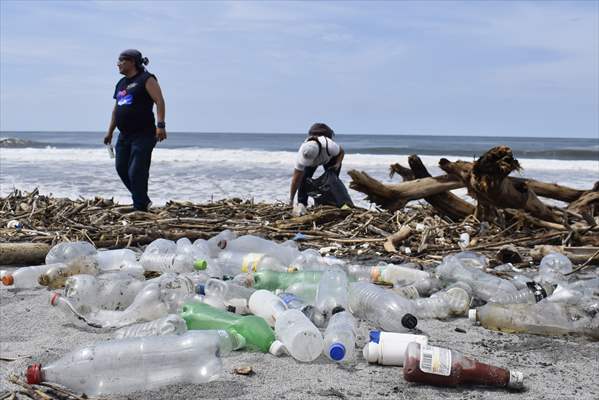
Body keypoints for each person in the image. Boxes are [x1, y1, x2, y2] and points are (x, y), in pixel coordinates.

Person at [103, 49, 166, 211]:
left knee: (136, 171)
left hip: (143, 134)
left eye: (121, 61)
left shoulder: (146, 79)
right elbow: (116, 109)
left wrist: (160, 125)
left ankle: (140, 206)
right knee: (121, 168)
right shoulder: (121, 83)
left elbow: (159, 101)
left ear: (132, 62)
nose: (118, 64)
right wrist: (110, 132)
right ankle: (142, 200)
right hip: (124, 135)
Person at [289, 123, 345, 206]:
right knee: (303, 179)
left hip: (329, 158)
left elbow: (341, 151)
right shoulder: (302, 154)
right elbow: (295, 180)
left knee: (333, 181)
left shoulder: (330, 146)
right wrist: (291, 200)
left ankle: (333, 203)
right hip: (318, 155)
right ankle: (302, 204)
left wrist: (337, 163)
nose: (311, 162)